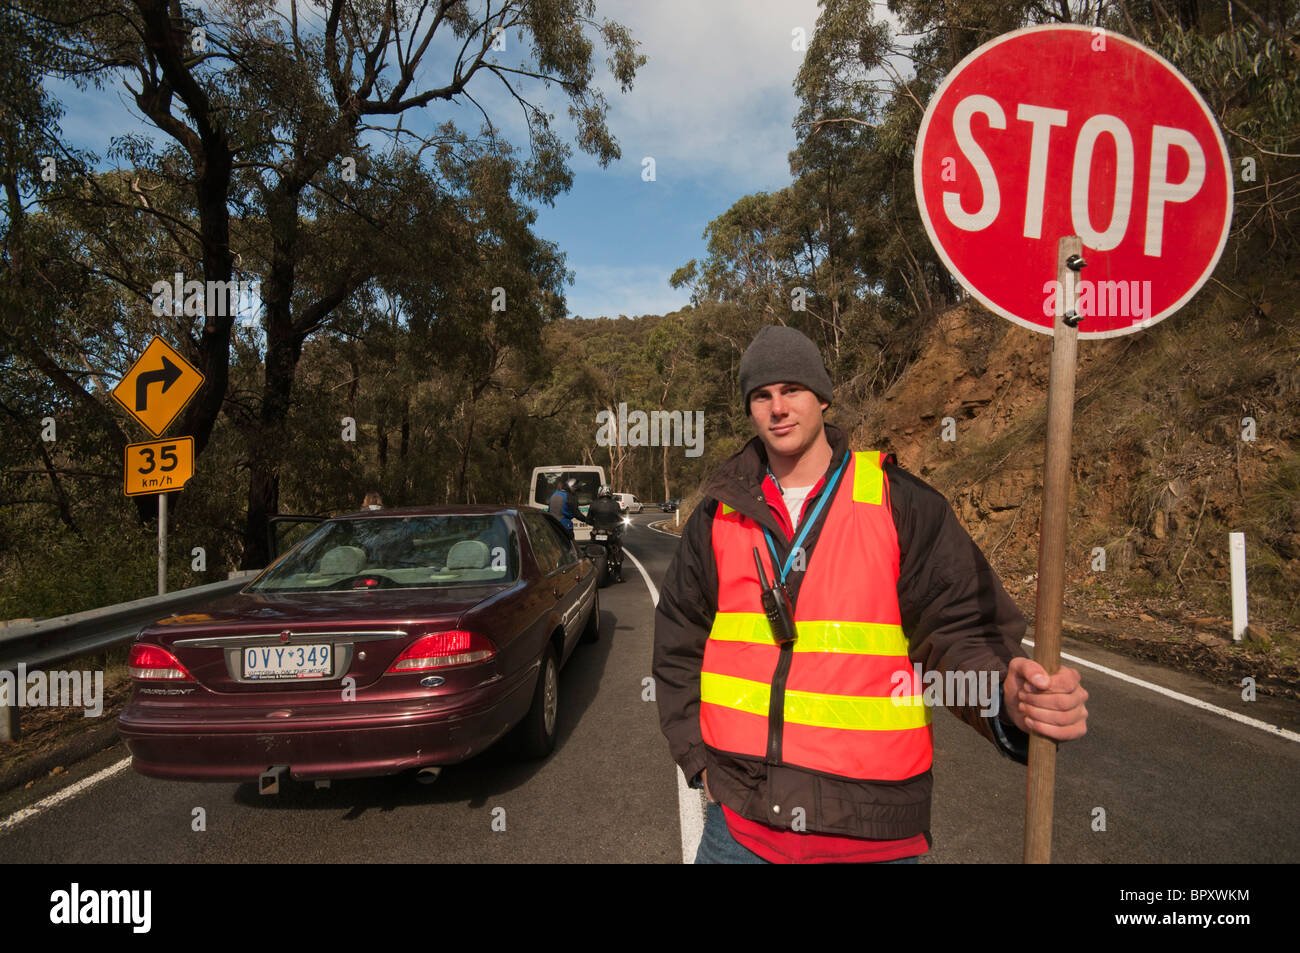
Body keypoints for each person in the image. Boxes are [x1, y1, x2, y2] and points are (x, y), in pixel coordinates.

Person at [652, 325, 1088, 864]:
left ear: (824, 398)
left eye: (793, 390)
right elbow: (678, 642)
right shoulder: (718, 513)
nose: (778, 408)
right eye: (762, 396)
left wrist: (1005, 698)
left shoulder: (899, 502)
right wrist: (698, 762)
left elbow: (955, 632)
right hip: (740, 830)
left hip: (873, 834)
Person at [586, 485, 626, 582]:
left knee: (589, 549)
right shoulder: (615, 504)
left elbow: (588, 519)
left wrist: (594, 523)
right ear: (610, 493)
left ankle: (588, 569)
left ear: (600, 492)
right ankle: (618, 575)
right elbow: (620, 519)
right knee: (618, 548)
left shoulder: (593, 504)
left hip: (596, 532)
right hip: (610, 532)